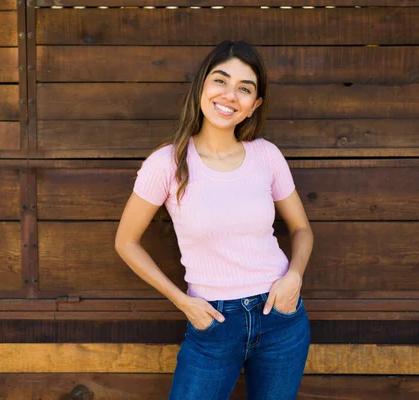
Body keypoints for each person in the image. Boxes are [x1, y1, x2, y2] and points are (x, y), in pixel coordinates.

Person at [114, 40, 313, 400]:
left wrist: (294, 277)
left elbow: (301, 228)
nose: (230, 95)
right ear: (202, 86)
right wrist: (182, 301)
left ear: (254, 106)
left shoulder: (267, 156)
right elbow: (125, 241)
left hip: (281, 316)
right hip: (213, 323)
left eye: (245, 89)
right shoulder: (167, 163)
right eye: (220, 81)